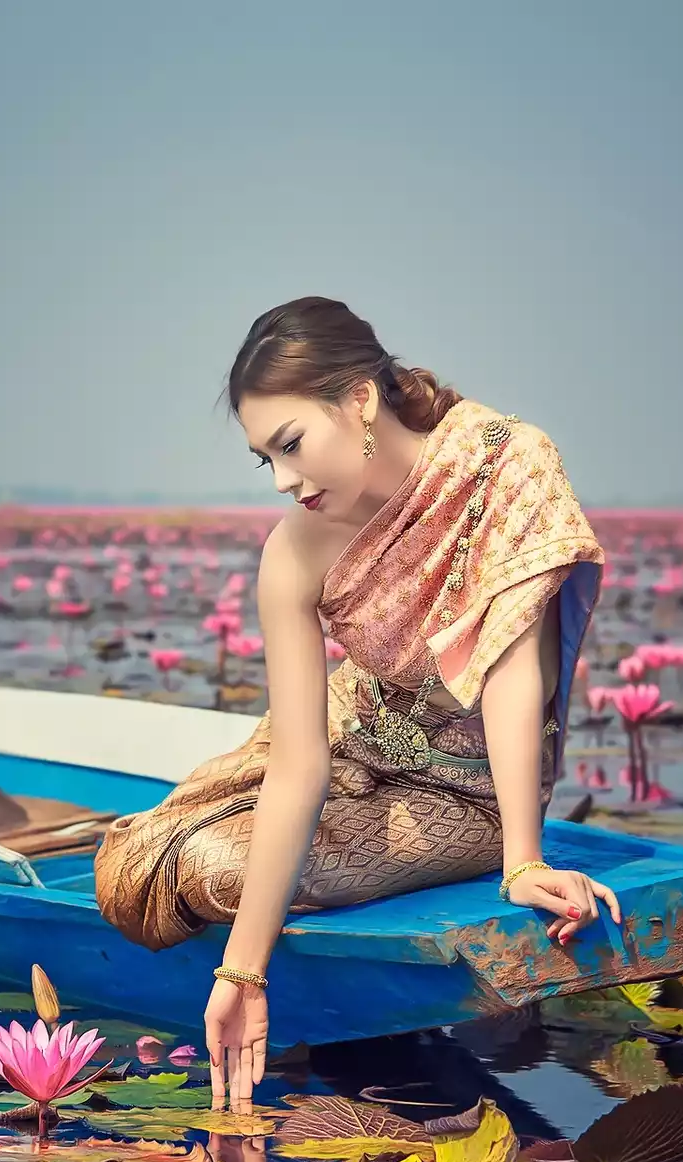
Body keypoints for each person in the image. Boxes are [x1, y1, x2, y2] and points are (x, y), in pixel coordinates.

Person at [93, 297, 619, 1108]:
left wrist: (524, 861)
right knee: (140, 856)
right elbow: (298, 764)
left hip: (469, 790)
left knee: (211, 867)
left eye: (291, 444)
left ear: (361, 400)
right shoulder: (294, 550)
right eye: (264, 460)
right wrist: (244, 973)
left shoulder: (503, 462)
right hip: (353, 732)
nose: (283, 480)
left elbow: (517, 670)